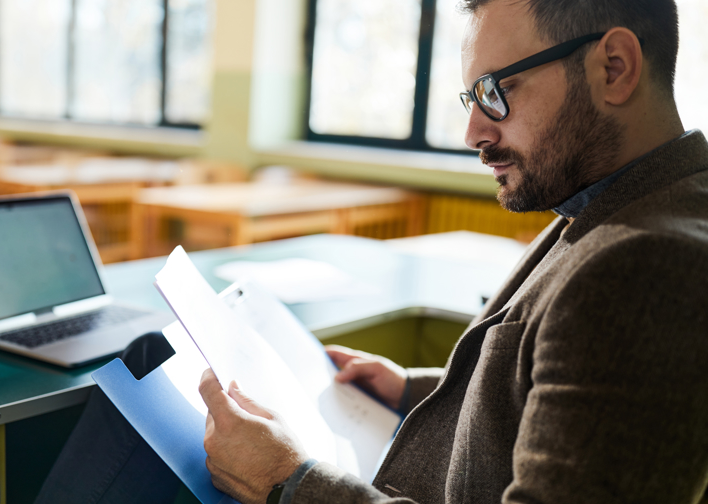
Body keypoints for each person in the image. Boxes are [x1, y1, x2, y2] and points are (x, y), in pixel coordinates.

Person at [38, 0, 708, 502]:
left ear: (613, 67)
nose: (474, 130)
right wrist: (420, 390)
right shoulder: (624, 203)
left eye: (496, 93)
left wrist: (291, 481)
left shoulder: (643, 267)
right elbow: (563, 394)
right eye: (471, 97)